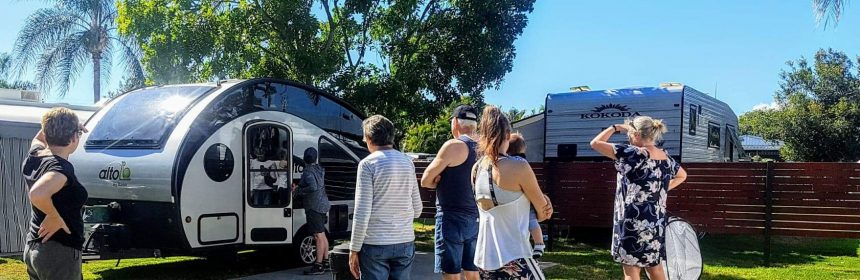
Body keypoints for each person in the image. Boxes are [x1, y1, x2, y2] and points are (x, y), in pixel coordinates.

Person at [589, 116, 688, 280]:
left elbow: (595, 143)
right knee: (654, 267)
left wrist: (615, 127)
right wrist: (660, 189)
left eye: (629, 135)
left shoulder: (633, 153)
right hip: (655, 221)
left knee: (631, 269)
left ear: (636, 134)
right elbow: (682, 175)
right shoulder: (665, 157)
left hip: (633, 220)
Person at [471, 105, 552, 279]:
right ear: (507, 135)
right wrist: (544, 201)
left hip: (484, 260)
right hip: (515, 256)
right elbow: (543, 212)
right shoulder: (518, 166)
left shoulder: (476, 169)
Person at [349, 115, 423, 280]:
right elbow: (418, 209)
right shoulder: (408, 162)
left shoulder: (368, 164)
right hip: (405, 240)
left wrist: (354, 248)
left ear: (368, 138)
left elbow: (362, 211)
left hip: (375, 243)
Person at [22, 107, 88, 280]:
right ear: (74, 138)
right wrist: (54, 216)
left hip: (35, 248)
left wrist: (67, 126)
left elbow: (39, 137)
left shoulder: (35, 156)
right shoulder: (59, 168)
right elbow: (38, 194)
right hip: (58, 252)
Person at [420, 105, 481, 280]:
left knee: (452, 273)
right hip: (477, 217)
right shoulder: (484, 149)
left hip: (451, 218)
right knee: (473, 271)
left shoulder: (453, 146)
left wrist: (438, 180)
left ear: (454, 123)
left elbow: (426, 180)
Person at [506, 133, 546, 259]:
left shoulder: (509, 163)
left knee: (531, 221)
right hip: (527, 197)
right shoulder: (523, 162)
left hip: (518, 198)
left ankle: (539, 243)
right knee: (532, 221)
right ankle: (539, 243)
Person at [293, 147, 332, 275]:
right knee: (322, 234)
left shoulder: (307, 172)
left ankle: (318, 265)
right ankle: (326, 262)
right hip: (323, 204)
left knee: (318, 236)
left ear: (305, 158)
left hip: (314, 206)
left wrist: (298, 190)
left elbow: (312, 187)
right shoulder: (319, 169)